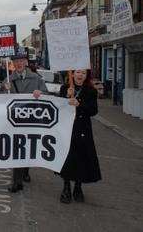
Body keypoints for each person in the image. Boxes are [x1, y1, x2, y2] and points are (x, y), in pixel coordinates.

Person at [6, 47, 48, 193]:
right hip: (15, 121)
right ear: (13, 63)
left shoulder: (36, 78)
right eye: (16, 61)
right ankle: (17, 182)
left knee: (28, 147)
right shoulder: (8, 80)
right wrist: (4, 90)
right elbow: (0, 101)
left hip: (31, 120)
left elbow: (47, 95)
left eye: (21, 61)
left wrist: (40, 93)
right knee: (17, 149)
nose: (18, 63)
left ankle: (25, 171)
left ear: (25, 62)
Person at [59, 69, 101, 204]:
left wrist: (79, 104)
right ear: (72, 74)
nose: (80, 75)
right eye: (77, 72)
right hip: (67, 128)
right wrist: (66, 97)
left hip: (83, 129)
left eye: (83, 73)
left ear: (86, 76)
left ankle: (78, 187)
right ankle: (66, 187)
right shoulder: (65, 88)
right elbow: (58, 106)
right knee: (67, 158)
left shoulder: (91, 91)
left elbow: (93, 110)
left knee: (81, 159)